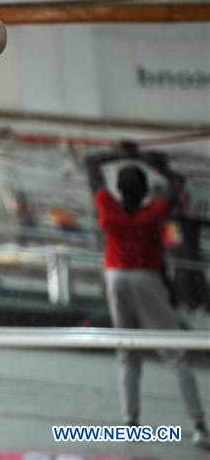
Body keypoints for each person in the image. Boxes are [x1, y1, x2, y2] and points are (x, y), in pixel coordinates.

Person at [86, 142, 208, 450]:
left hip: (115, 277)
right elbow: (177, 185)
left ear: (120, 191)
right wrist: (151, 162)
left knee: (127, 353)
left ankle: (130, 423)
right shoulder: (153, 212)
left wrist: (122, 153)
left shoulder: (108, 210)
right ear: (143, 192)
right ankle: (198, 426)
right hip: (146, 279)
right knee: (175, 354)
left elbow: (92, 166)